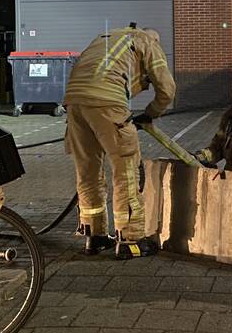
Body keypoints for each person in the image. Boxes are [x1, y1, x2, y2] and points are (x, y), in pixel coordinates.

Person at [63, 25, 176, 258]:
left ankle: (94, 236)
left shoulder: (108, 38)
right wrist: (151, 113)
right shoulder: (147, 42)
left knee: (88, 170)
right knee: (126, 170)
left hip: (74, 102)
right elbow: (167, 90)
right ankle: (130, 240)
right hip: (107, 102)